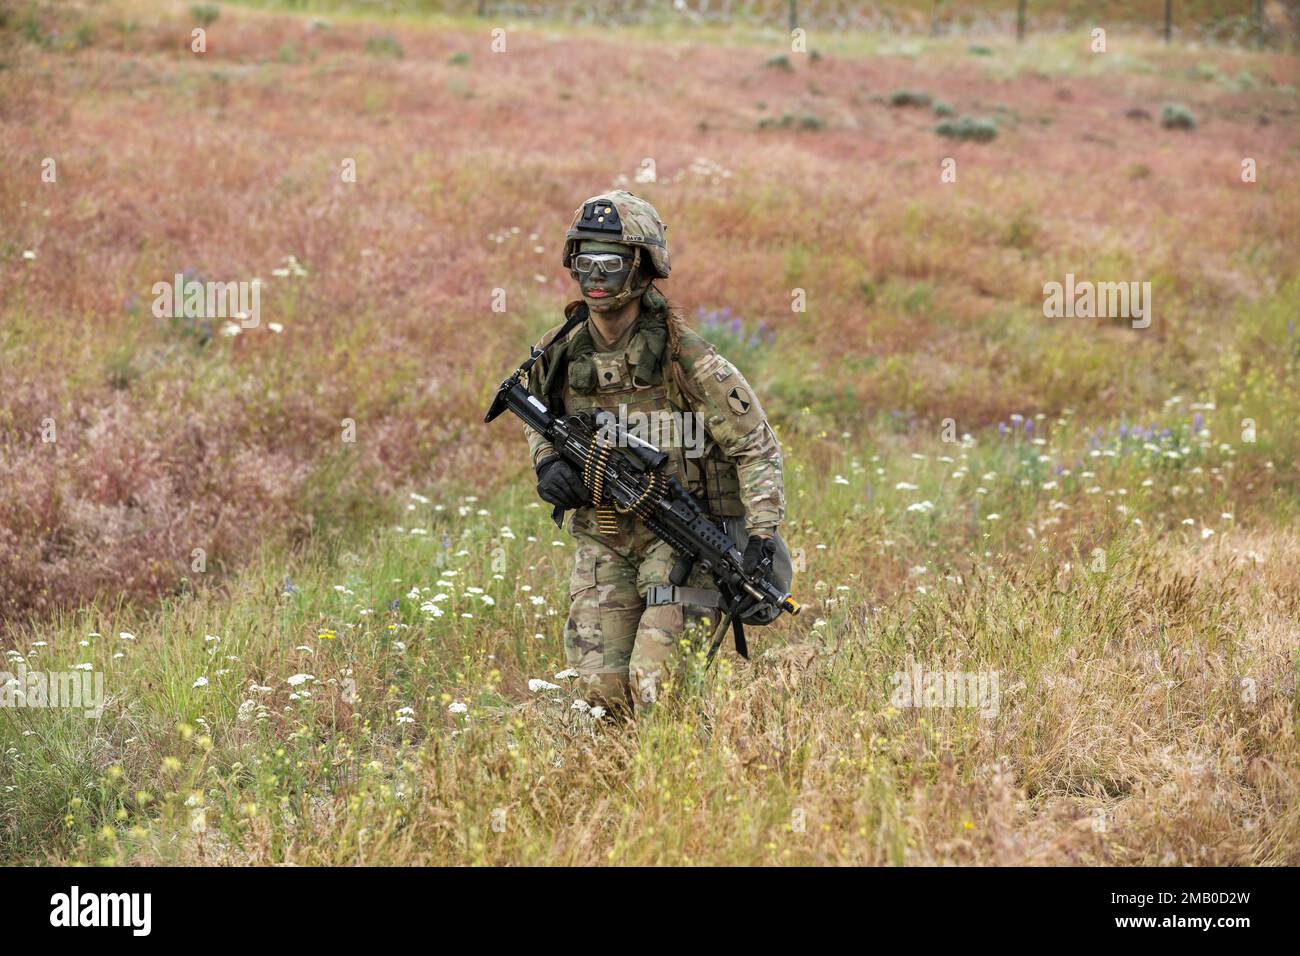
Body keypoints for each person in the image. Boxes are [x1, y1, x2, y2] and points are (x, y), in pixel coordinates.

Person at [522, 190, 786, 714]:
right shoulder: (561, 349)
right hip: (603, 537)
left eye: (612, 264)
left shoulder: (686, 357)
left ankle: (687, 788)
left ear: (643, 269)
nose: (596, 277)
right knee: (599, 698)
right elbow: (536, 414)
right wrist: (548, 461)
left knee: (659, 693)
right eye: (585, 263)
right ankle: (615, 793)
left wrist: (760, 536)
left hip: (682, 543)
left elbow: (756, 446)